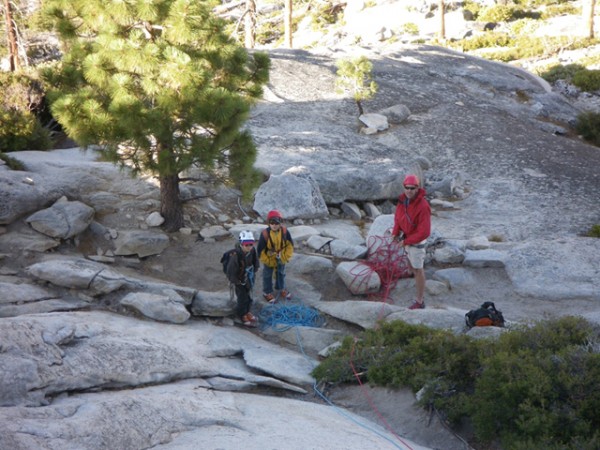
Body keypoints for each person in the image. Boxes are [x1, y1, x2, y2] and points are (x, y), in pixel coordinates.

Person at [391, 174, 431, 310]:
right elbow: (398, 218)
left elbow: (424, 232)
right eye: (407, 188)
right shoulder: (403, 201)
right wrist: (395, 233)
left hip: (416, 242)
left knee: (419, 270)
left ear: (417, 188)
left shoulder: (423, 206)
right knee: (410, 262)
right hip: (407, 238)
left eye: (412, 188)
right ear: (404, 187)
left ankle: (420, 301)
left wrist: (406, 241)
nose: (409, 191)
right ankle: (410, 272)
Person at [257, 209, 294, 303]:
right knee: (267, 275)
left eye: (276, 223)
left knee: (281, 273)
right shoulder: (265, 234)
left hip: (281, 257)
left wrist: (284, 257)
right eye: (272, 223)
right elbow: (260, 250)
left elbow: (289, 246)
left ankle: (281, 288)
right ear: (268, 223)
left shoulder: (285, 232)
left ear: (280, 223)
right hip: (269, 258)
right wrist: (268, 260)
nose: (274, 225)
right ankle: (267, 292)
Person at [226, 230, 260, 326]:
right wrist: (236, 282)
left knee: (249, 296)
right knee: (242, 298)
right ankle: (242, 314)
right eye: (246, 245)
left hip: (249, 278)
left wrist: (254, 271)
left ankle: (247, 311)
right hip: (239, 280)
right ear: (241, 244)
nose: (249, 247)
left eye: (251, 244)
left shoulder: (252, 251)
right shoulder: (235, 256)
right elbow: (231, 271)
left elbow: (255, 262)